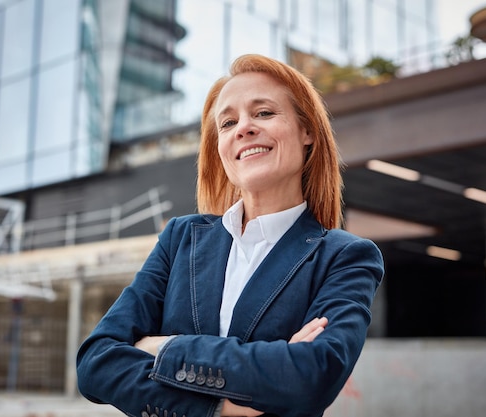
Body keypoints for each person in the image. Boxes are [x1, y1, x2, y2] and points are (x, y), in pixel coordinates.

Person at [76, 54, 384, 417]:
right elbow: (96, 362)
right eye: (228, 122)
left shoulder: (345, 257)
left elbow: (312, 374)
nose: (244, 128)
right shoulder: (180, 239)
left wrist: (166, 345)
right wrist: (222, 406)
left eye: (264, 113)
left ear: (308, 132)